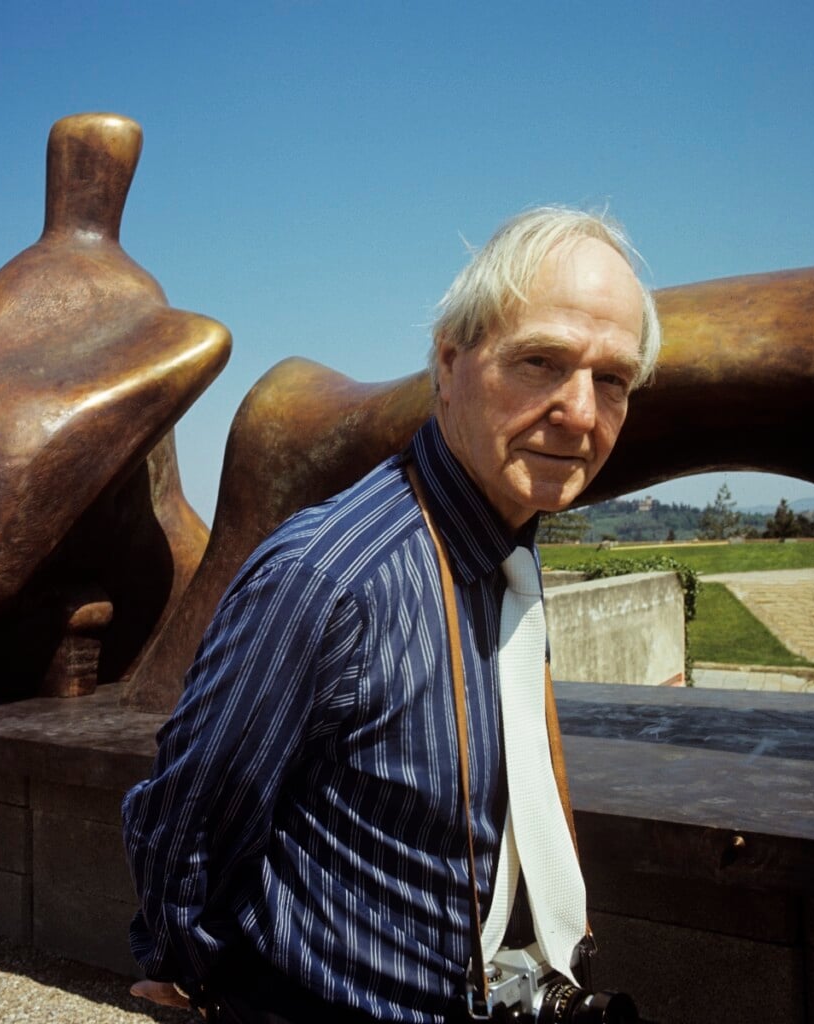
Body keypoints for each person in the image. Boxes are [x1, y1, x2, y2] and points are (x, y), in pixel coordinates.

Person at [122, 206, 661, 1023]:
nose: (581, 414)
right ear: (449, 364)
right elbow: (187, 816)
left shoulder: (505, 544)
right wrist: (197, 973)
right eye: (540, 362)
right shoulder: (329, 578)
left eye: (611, 378)